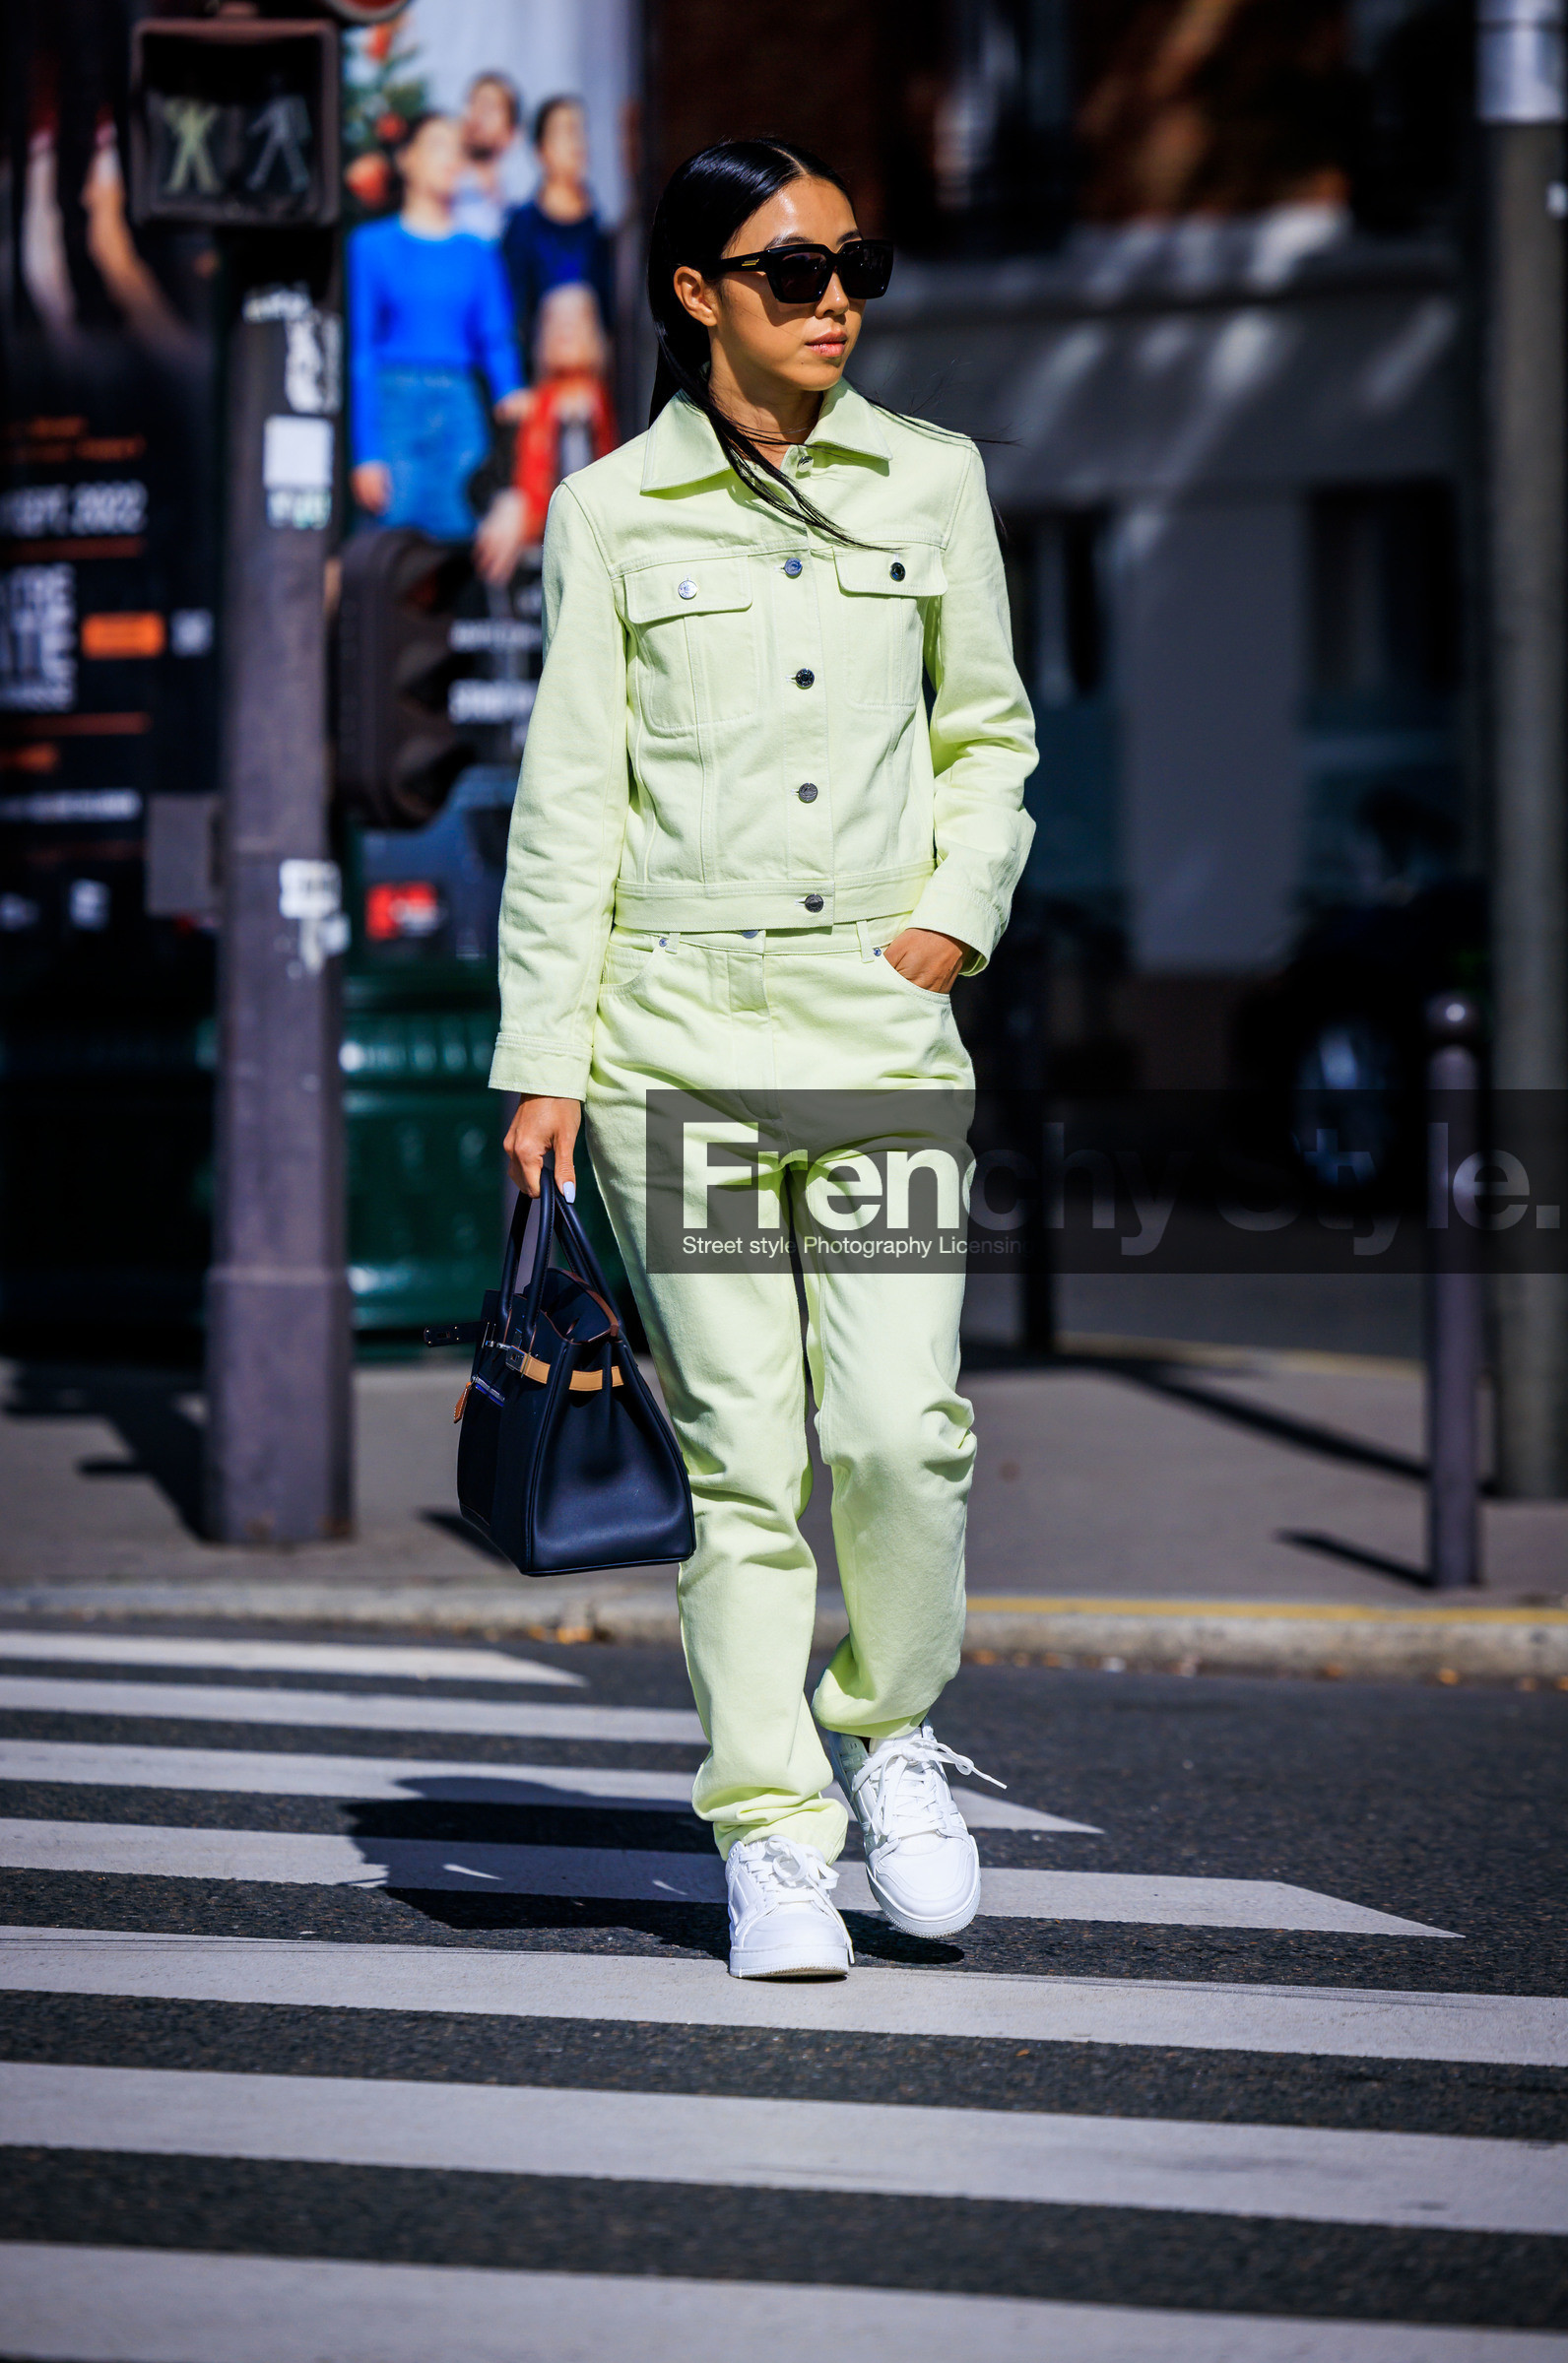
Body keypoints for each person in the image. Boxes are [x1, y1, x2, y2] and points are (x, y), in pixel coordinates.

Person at [491, 140, 1035, 1979]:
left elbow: (992, 737)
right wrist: (541, 1057)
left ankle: (892, 1729)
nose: (833, 299)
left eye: (853, 264)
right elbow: (568, 803)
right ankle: (773, 1825)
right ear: (694, 296)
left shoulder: (936, 481)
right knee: (745, 1454)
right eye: (789, 269)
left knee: (900, 1434)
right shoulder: (615, 512)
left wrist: (948, 918)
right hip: (677, 1041)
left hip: (876, 1033)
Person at [348, 112, 527, 539]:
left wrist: (509, 388)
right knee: (392, 548)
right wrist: (366, 453)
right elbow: (362, 352)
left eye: (456, 148)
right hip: (396, 407)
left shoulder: (478, 252)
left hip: (459, 408)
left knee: (457, 541)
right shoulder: (370, 246)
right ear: (406, 159)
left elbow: (497, 337)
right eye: (436, 145)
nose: (450, 158)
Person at [474, 283, 619, 583]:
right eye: (555, 320)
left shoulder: (620, 410)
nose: (565, 328)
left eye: (577, 319)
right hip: (537, 571)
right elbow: (477, 485)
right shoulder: (523, 413)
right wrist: (507, 500)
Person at [500, 95, 614, 371]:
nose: (577, 142)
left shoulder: (599, 226)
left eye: (580, 130)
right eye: (565, 131)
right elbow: (512, 312)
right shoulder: (523, 225)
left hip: (594, 379)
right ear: (541, 150)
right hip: (540, 379)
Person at [454, 71, 530, 243]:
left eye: (490, 107)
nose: (478, 115)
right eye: (473, 103)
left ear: (512, 134)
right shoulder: (444, 191)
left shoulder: (518, 204)